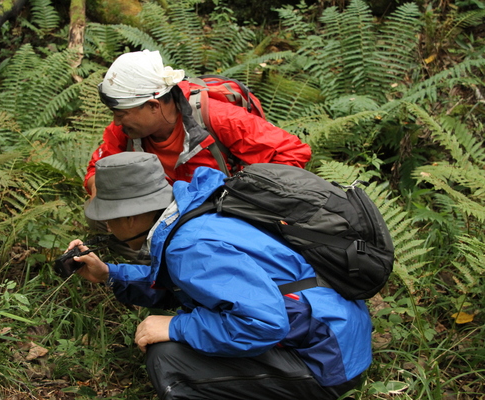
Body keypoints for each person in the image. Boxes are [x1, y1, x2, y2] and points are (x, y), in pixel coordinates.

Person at [67, 152, 372, 400]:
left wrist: (176, 327)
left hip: (326, 365)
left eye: (109, 219)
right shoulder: (194, 215)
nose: (107, 227)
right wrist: (109, 274)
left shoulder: (189, 246)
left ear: (132, 216)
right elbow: (188, 285)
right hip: (336, 340)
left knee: (169, 358)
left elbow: (265, 323)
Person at [84, 49, 311, 197]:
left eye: (121, 113)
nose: (116, 122)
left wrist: (246, 197)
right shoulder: (126, 130)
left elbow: (291, 152)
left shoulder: (219, 118)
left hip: (227, 209)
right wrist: (99, 191)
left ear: (153, 105)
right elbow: (97, 170)